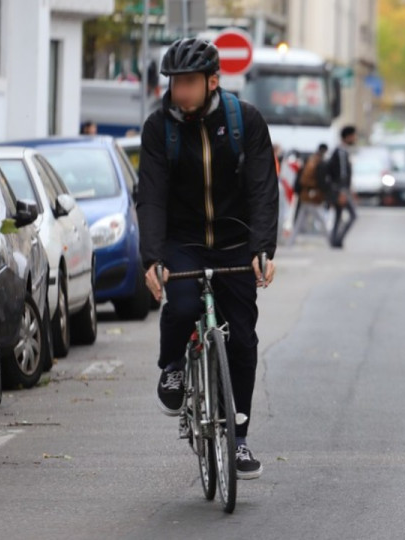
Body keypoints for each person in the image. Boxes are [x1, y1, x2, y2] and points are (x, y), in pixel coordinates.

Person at [136, 37, 279, 480]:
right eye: (175, 83)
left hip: (236, 240)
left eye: (189, 82)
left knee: (243, 341)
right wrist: (153, 258)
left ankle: (238, 441)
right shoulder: (159, 128)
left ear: (212, 81)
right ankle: (174, 368)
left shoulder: (245, 121)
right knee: (180, 306)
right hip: (184, 239)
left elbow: (262, 188)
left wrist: (263, 249)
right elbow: (153, 196)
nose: (180, 91)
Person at [288, 143, 330, 244]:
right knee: (321, 219)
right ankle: (330, 240)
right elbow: (320, 181)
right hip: (311, 194)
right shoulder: (318, 162)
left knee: (300, 220)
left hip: (305, 194)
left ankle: (291, 242)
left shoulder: (310, 160)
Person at [326, 125, 358, 248]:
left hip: (341, 189)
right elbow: (342, 174)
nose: (355, 138)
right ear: (348, 136)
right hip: (341, 189)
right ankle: (337, 239)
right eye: (353, 136)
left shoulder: (342, 151)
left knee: (338, 216)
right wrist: (343, 192)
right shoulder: (341, 152)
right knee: (353, 215)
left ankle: (335, 240)